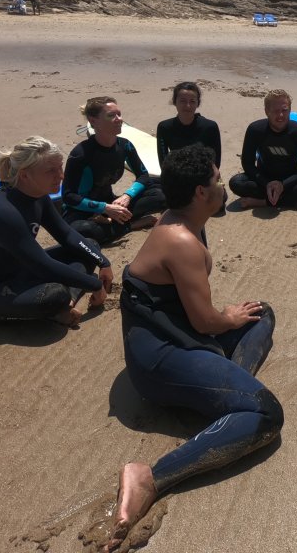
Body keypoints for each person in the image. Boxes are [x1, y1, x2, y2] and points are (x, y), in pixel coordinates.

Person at [104, 145, 283, 552]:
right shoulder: (181, 239)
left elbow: (195, 313)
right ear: (201, 192)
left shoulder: (186, 219)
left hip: (180, 334)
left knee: (262, 314)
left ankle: (225, 397)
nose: (223, 188)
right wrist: (227, 319)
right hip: (161, 361)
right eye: (218, 182)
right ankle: (149, 477)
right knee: (267, 415)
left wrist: (231, 318)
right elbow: (206, 322)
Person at [0, 136, 112, 328]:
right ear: (25, 175)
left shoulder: (37, 195)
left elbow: (66, 234)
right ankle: (60, 303)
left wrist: (103, 262)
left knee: (89, 247)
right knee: (54, 295)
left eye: (60, 167)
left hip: (16, 270)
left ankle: (67, 303)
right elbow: (43, 265)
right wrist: (95, 285)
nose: (60, 176)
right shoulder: (1, 211)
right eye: (51, 171)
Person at [62, 97, 164, 244]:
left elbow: (143, 176)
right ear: (93, 121)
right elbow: (68, 196)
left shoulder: (125, 146)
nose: (119, 119)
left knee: (159, 192)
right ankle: (131, 225)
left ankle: (113, 222)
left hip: (112, 202)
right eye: (111, 115)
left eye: (119, 114)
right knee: (83, 231)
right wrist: (104, 208)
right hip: (81, 211)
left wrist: (127, 196)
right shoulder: (81, 154)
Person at [229, 89, 297, 209]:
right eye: (275, 111)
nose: (280, 115)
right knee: (236, 182)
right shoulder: (255, 130)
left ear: (289, 110)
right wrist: (267, 183)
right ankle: (290, 201)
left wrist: (283, 185)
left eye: (284, 110)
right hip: (264, 178)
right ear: (266, 111)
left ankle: (262, 202)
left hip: (290, 180)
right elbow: (247, 164)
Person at [156, 81, 222, 204]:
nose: (187, 106)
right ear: (175, 102)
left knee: (220, 203)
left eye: (192, 101)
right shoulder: (164, 127)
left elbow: (216, 161)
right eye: (182, 101)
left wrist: (205, 182)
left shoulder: (210, 127)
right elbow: (163, 161)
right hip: (178, 176)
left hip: (203, 175)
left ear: (198, 103)